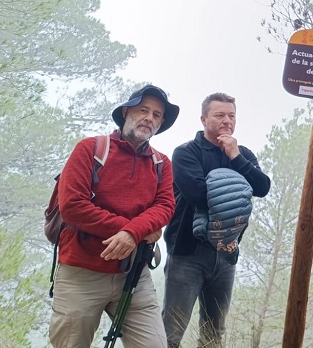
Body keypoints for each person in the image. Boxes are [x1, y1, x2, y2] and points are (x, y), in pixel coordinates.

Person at [49, 84, 179, 348]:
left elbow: (165, 206)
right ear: (126, 112)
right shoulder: (89, 149)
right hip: (81, 273)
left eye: (156, 115)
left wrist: (133, 233)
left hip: (134, 274)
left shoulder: (162, 163)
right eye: (144, 110)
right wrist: (136, 231)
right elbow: (72, 206)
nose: (149, 118)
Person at [162, 92, 271, 348]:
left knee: (214, 333)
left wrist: (235, 158)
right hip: (187, 253)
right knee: (171, 331)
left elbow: (262, 187)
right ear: (204, 118)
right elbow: (198, 194)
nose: (227, 121)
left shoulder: (242, 154)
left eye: (231, 116)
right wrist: (238, 191)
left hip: (226, 254)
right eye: (219, 115)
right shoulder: (186, 153)